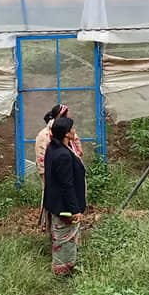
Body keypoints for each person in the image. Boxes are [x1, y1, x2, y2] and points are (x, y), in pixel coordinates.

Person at [43, 117, 86, 277]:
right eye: (73, 129)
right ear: (67, 133)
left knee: (62, 237)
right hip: (64, 205)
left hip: (55, 202)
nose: (75, 131)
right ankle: (63, 272)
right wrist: (75, 209)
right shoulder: (63, 155)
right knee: (64, 239)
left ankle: (65, 268)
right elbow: (66, 185)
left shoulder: (53, 147)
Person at [35, 104, 82, 229]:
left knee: (59, 197)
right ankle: (48, 223)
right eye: (67, 114)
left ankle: (54, 226)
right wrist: (45, 173)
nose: (74, 130)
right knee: (55, 197)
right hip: (52, 171)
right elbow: (42, 157)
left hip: (62, 169)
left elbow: (76, 145)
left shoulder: (61, 134)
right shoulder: (45, 135)